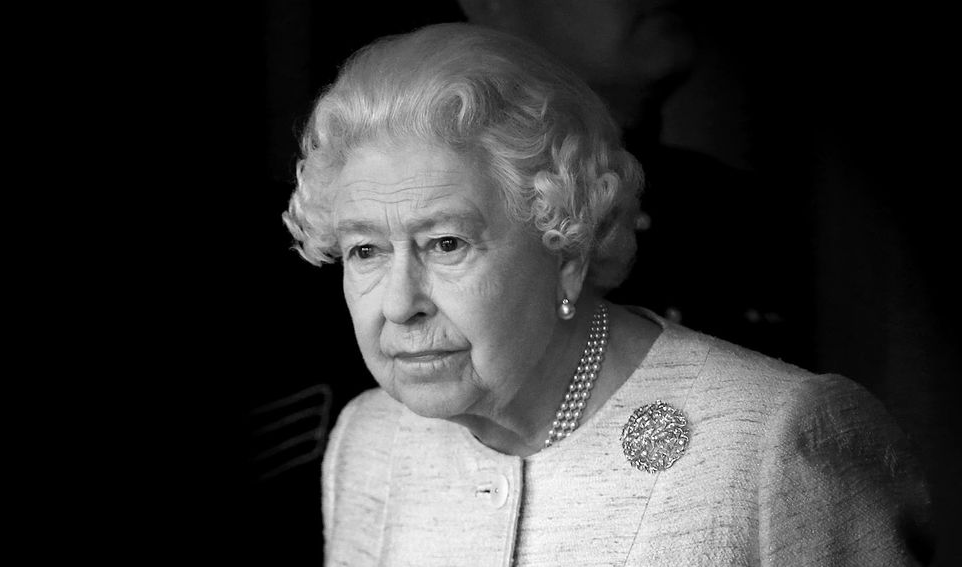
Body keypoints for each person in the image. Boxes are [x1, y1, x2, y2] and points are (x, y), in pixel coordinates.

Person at [282, 23, 934, 565]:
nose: (399, 304)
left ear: (566, 246)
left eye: (446, 243)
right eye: (366, 250)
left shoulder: (776, 441)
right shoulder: (367, 439)